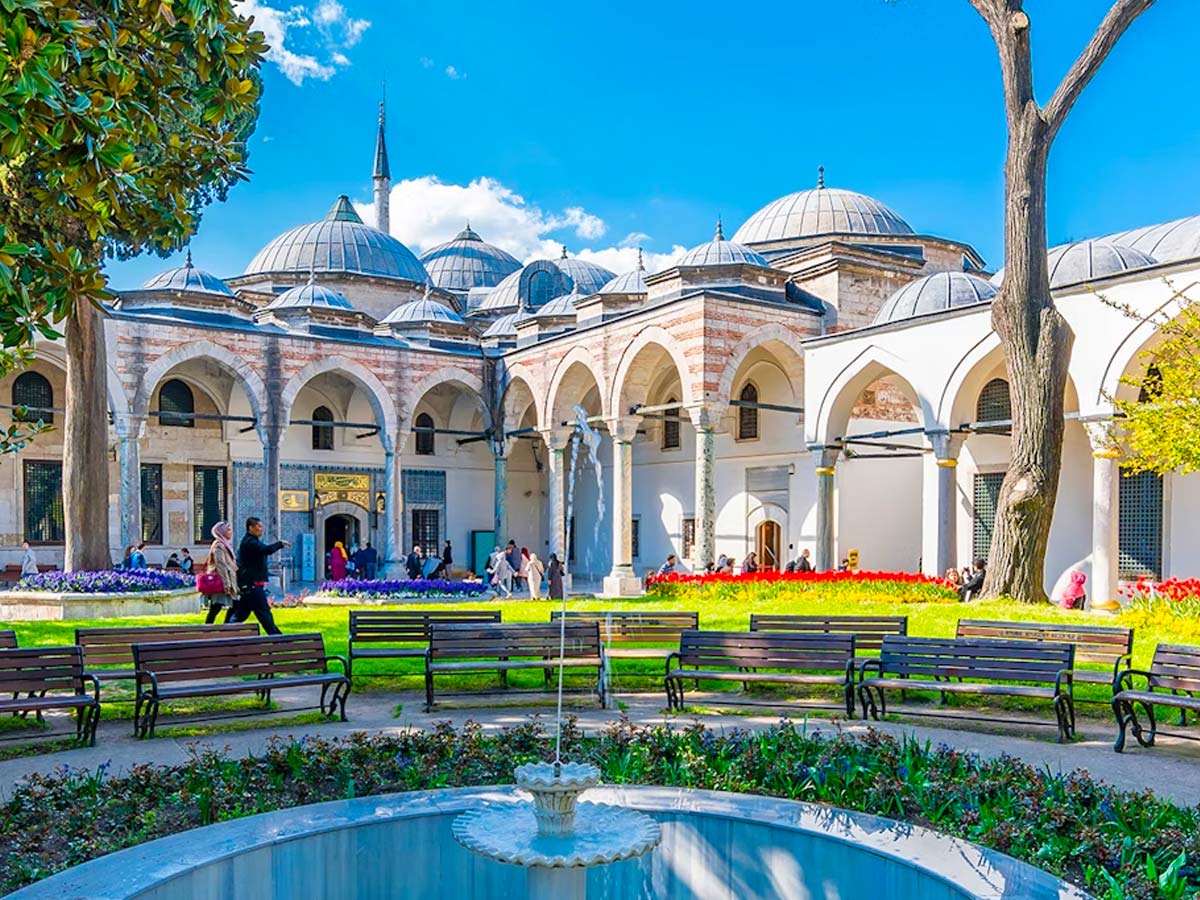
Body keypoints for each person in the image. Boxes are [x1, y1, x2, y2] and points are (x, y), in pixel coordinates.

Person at [231, 517, 288, 634]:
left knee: (239, 616)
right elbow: (266, 550)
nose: (261, 529)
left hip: (250, 586)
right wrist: (280, 544)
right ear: (250, 528)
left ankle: (223, 635)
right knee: (264, 614)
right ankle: (279, 640)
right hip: (252, 586)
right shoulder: (250, 542)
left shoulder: (253, 541)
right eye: (259, 527)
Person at [202, 521, 239, 624]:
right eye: (228, 529)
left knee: (224, 606)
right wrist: (227, 584)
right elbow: (221, 565)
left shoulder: (225, 544)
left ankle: (223, 627)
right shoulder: (219, 545)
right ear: (221, 532)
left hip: (228, 580)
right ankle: (209, 629)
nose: (231, 532)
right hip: (222, 581)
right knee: (217, 607)